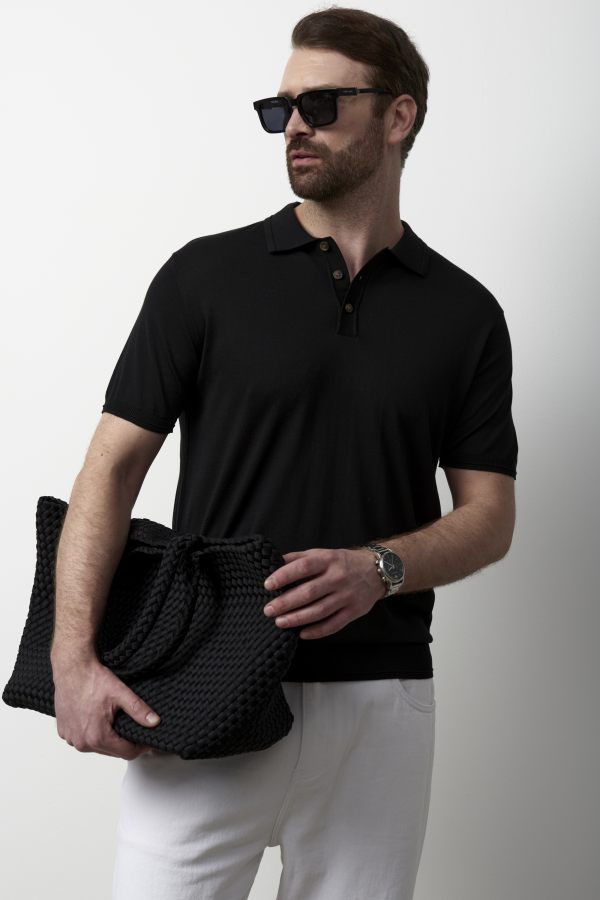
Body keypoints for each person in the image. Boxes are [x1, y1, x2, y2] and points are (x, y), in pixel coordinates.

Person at [50, 7, 518, 900]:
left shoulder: (465, 314)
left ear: (399, 116)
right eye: (281, 108)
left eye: (321, 104)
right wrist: (74, 660)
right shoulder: (205, 276)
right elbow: (108, 472)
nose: (295, 125)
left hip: (381, 704)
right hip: (202, 683)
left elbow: (490, 516)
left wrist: (379, 568)